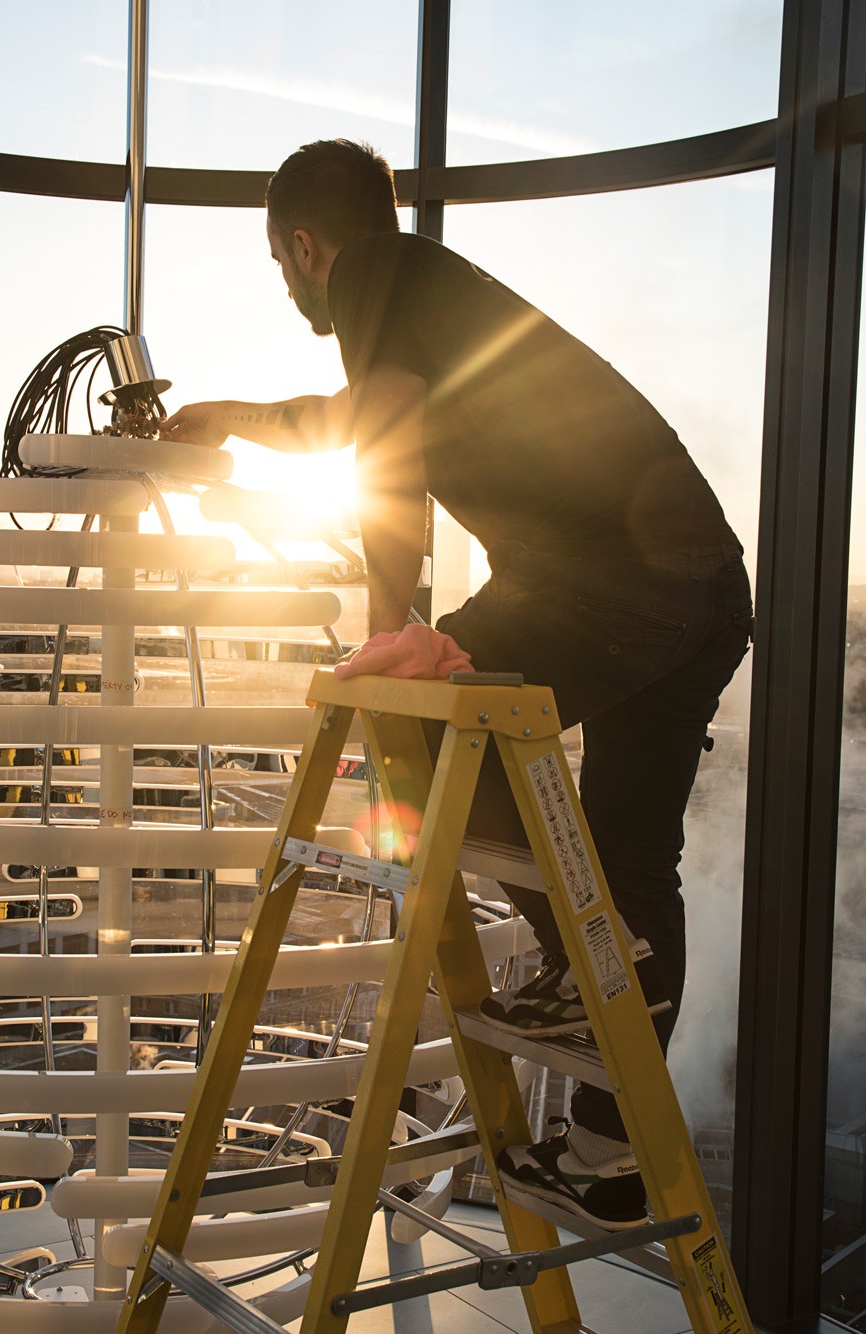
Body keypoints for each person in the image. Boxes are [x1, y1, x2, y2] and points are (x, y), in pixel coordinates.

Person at [161, 138, 754, 1232]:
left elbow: (383, 447)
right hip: (702, 586)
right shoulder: (422, 293)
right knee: (629, 857)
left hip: (606, 578)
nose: (286, 286)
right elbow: (367, 418)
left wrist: (390, 637)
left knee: (428, 743)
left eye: (277, 262)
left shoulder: (380, 271)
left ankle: (592, 951)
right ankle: (607, 1154)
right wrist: (236, 411)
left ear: (302, 243)